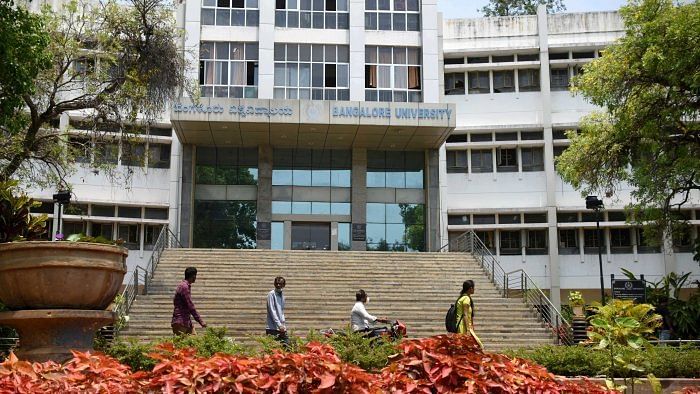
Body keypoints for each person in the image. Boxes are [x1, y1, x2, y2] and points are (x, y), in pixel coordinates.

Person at [171, 267, 207, 335]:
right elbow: (190, 305)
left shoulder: (183, 286)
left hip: (186, 321)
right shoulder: (184, 287)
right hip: (180, 322)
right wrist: (200, 321)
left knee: (194, 342)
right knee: (181, 344)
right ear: (193, 276)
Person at [456, 280, 483, 349]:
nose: (474, 289)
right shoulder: (466, 299)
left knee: (464, 348)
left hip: (461, 326)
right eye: (473, 288)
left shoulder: (462, 297)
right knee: (479, 346)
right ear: (470, 288)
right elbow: (465, 315)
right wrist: (468, 330)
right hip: (463, 327)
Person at [266, 276, 289, 346]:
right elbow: (272, 310)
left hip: (281, 326)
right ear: (274, 284)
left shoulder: (282, 295)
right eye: (277, 283)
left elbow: (281, 311)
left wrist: (283, 324)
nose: (278, 285)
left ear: (284, 285)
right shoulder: (271, 294)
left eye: (280, 284)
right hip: (272, 327)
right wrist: (279, 325)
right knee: (271, 348)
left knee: (287, 345)